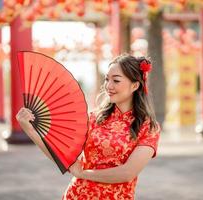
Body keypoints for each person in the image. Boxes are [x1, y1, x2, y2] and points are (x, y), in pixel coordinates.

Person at [16, 54, 161, 199]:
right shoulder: (93, 118)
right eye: (107, 79)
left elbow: (127, 173)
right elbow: (63, 156)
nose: (108, 86)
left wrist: (84, 174)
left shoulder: (148, 127)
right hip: (78, 194)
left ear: (135, 85)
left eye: (116, 80)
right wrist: (30, 130)